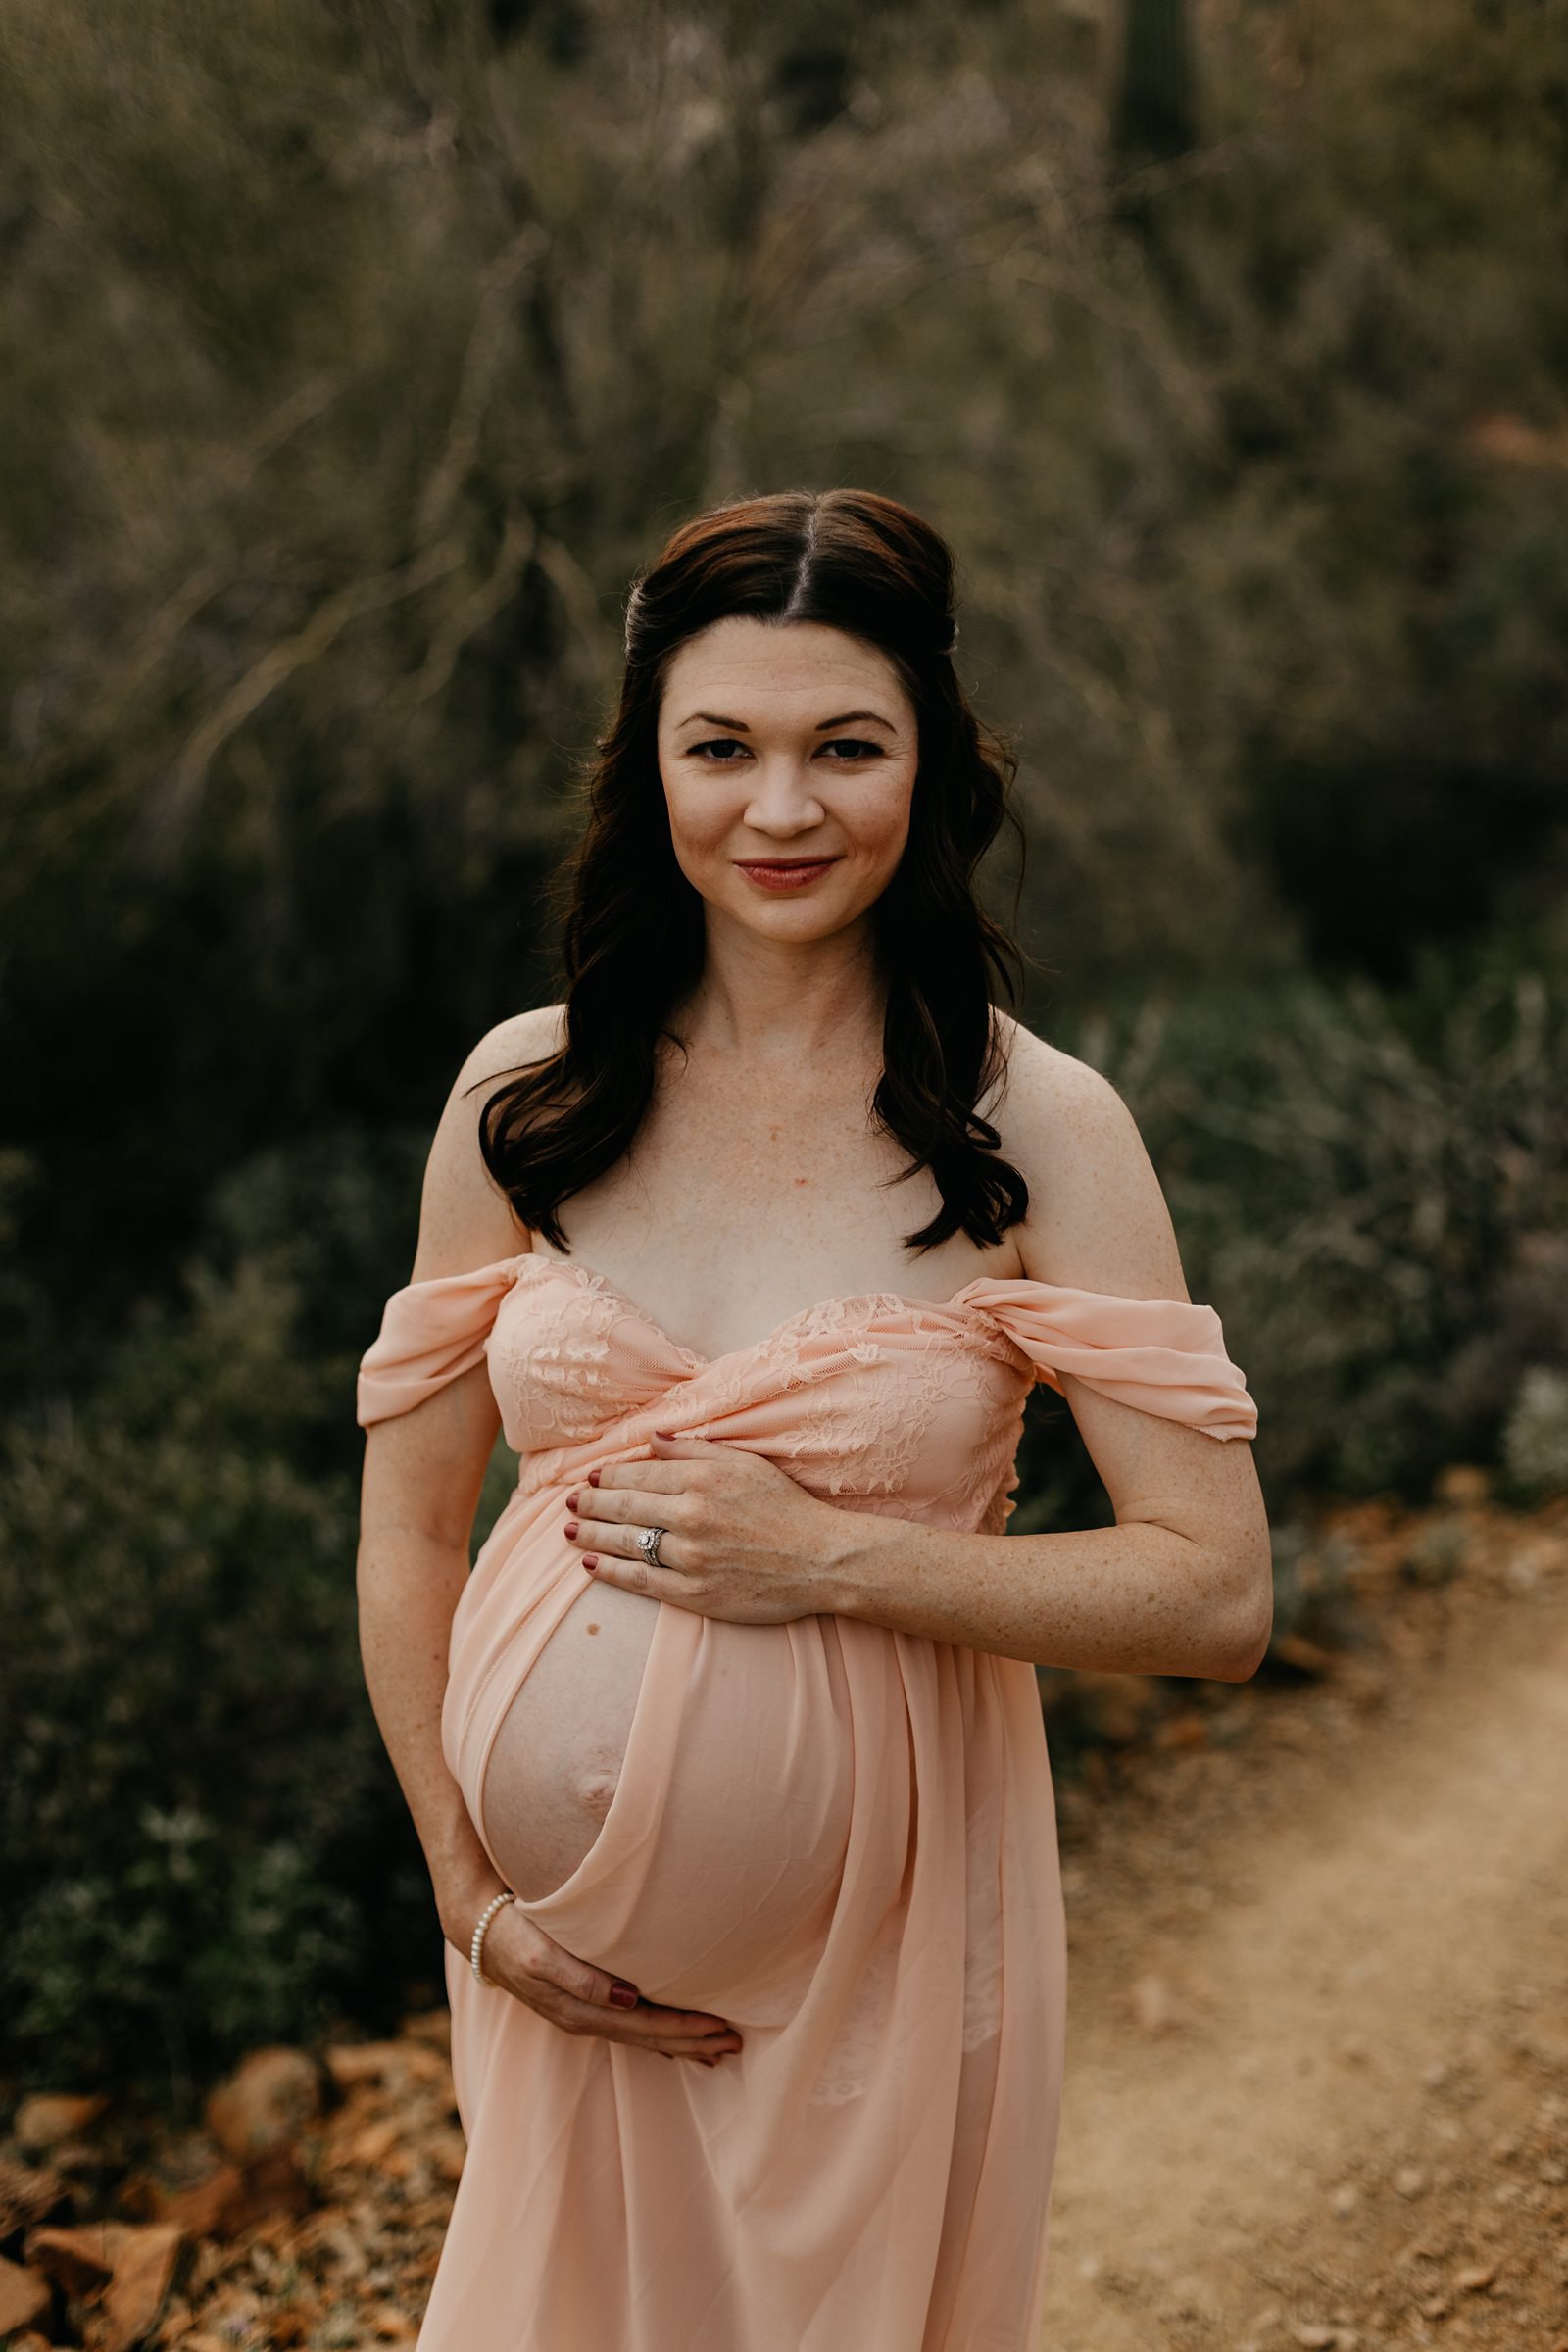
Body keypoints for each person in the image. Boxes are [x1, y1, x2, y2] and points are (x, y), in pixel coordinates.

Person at [354, 486, 1271, 2351]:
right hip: (558, 1980)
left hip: (887, 1967)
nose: (783, 811)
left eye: (846, 747)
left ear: (929, 761)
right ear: (651, 767)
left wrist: (835, 1560)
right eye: (725, 749)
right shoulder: (522, 1097)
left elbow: (1213, 1598)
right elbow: (406, 1528)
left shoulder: (1037, 1127)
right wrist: (468, 1893)